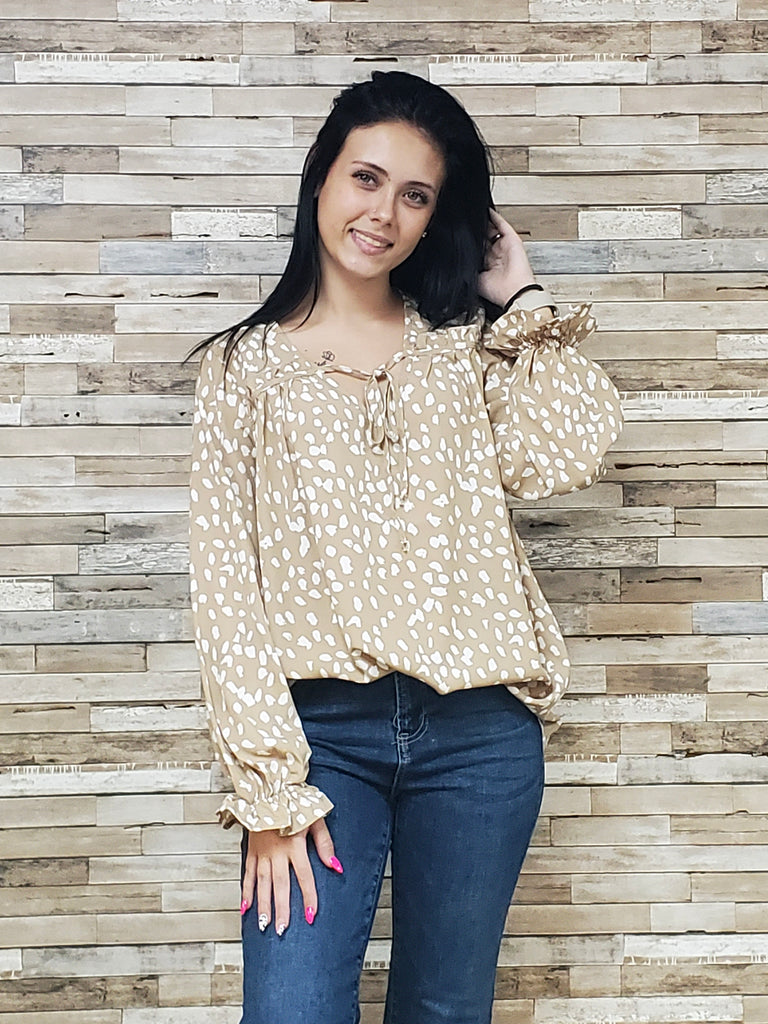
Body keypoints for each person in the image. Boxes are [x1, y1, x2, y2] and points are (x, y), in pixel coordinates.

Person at [187, 70, 623, 1024]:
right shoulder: (242, 369)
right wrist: (269, 793)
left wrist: (520, 296)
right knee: (292, 1010)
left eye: (416, 195)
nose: (383, 213)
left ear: (434, 220)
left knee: (444, 1010)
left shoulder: (462, 351)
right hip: (320, 742)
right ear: (321, 178)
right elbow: (225, 589)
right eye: (366, 178)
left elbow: (568, 452)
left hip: (480, 740)